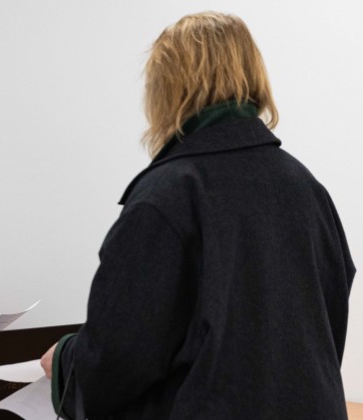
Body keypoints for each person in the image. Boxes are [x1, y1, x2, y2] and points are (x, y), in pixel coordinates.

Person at [41, 11, 355, 419]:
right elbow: (324, 333)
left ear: (167, 88)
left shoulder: (166, 197)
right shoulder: (307, 188)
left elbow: (117, 359)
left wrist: (65, 362)